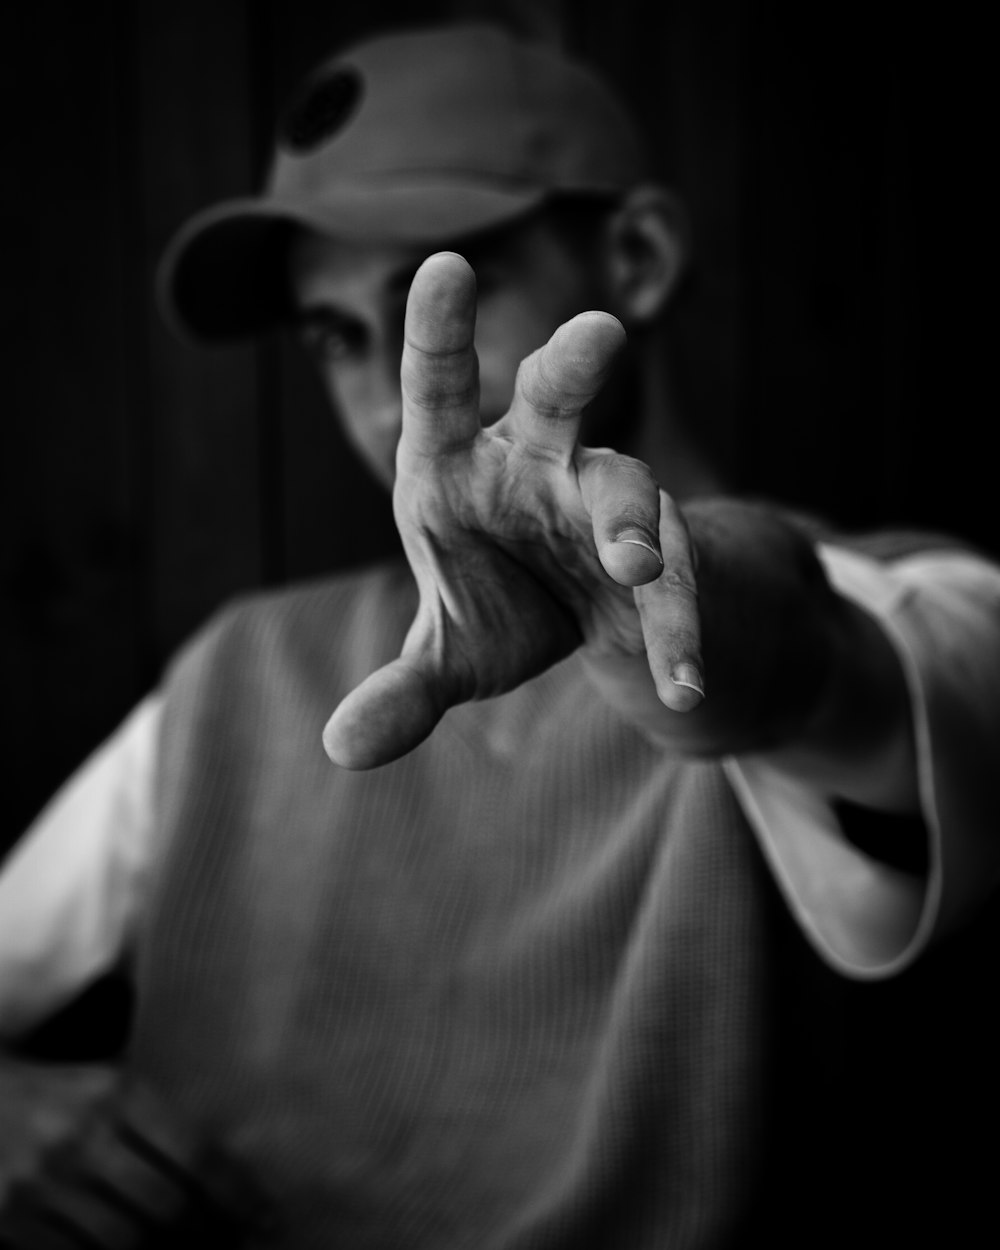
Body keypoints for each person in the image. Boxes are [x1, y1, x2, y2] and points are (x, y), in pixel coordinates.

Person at [1, 20, 999, 1248]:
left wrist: (662, 617)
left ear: (633, 256)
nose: (381, 401)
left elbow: (821, 663)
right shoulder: (241, 674)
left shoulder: (915, 606)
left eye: (440, 295)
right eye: (337, 338)